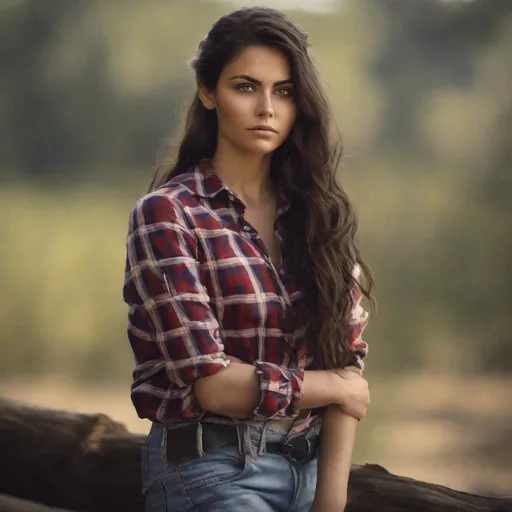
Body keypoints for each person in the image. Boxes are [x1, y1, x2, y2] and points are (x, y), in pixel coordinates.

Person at [123, 7, 374, 511]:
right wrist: (330, 387)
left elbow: (347, 367)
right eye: (246, 87)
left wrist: (330, 500)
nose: (267, 107)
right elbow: (213, 386)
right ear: (208, 91)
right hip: (209, 473)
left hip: (310, 475)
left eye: (283, 91)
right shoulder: (169, 216)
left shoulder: (316, 216)